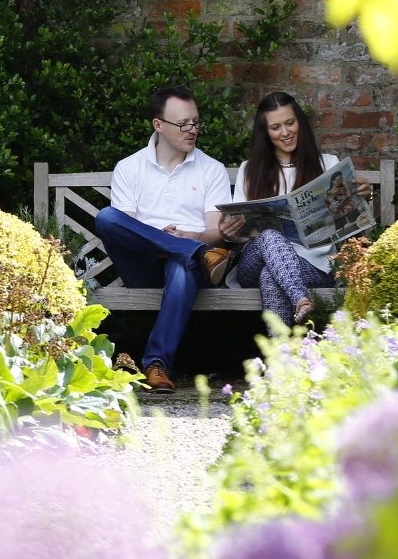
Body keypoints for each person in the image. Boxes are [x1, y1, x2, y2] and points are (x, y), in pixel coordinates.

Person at [93, 86, 235, 393]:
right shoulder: (129, 168)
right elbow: (124, 230)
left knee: (181, 265)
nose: (193, 130)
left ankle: (156, 365)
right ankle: (194, 252)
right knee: (106, 217)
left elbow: (217, 231)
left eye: (196, 122)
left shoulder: (211, 169)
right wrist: (174, 243)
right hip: (142, 267)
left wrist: (193, 237)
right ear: (159, 125)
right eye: (184, 124)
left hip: (193, 271)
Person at [223, 91, 367, 325]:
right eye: (276, 127)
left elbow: (352, 223)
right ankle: (301, 298)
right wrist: (230, 232)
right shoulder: (250, 169)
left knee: (271, 276)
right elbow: (242, 234)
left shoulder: (328, 164)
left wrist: (363, 196)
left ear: (299, 122)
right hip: (255, 260)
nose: (286, 132)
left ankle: (282, 355)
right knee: (270, 236)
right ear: (266, 133)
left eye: (290, 123)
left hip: (315, 266)